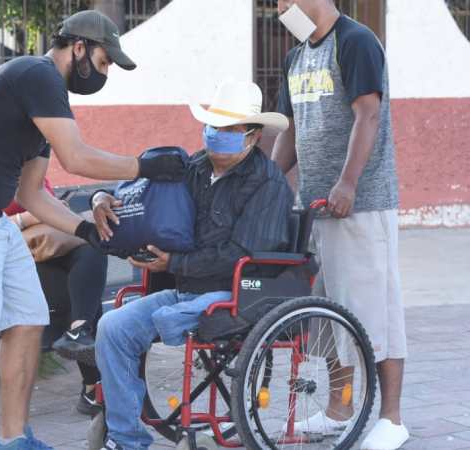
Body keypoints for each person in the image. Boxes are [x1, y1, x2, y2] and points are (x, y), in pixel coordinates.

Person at [0, 10, 184, 450]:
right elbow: (75, 157)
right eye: (103, 62)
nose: (104, 72)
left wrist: (86, 231)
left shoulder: (41, 97)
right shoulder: (38, 75)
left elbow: (32, 193)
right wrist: (143, 166)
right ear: (79, 48)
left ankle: (14, 440)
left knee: (27, 320)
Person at [91, 80, 294, 450]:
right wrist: (102, 197)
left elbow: (242, 254)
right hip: (186, 288)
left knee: (171, 317)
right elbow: (139, 193)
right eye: (213, 127)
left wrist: (175, 262)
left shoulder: (268, 184)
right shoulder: (193, 167)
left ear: (252, 137)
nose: (216, 136)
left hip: (237, 293)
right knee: (112, 327)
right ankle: (125, 438)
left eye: (228, 130)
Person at [273, 1, 408, 449]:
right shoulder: (296, 56)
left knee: (375, 313)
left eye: (283, 0)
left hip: (361, 206)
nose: (279, 8)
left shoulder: (355, 41)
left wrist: (348, 182)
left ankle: (392, 418)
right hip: (316, 208)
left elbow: (368, 113)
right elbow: (290, 128)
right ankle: (337, 409)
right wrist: (269, 185)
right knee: (329, 316)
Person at [4, 179, 105, 416]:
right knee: (81, 294)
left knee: (92, 253)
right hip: (12, 259)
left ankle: (79, 331)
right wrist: (26, 219)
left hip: (50, 246)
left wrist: (56, 210)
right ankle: (93, 388)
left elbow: (46, 204)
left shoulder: (31, 166)